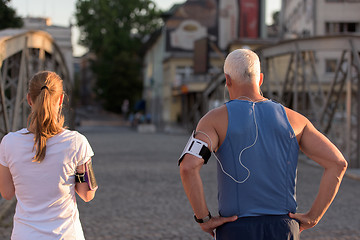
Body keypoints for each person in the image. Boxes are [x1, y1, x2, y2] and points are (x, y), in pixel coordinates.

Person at [179, 49, 348, 239]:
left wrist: (204, 219)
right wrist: (313, 217)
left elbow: (188, 166)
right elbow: (338, 163)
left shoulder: (213, 120)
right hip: (283, 228)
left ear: (227, 80)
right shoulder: (296, 120)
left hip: (236, 228)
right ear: (260, 79)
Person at [0, 71, 98, 239]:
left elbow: (7, 193)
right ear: (60, 100)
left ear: (29, 100)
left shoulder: (9, 143)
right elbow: (87, 194)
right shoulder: (77, 142)